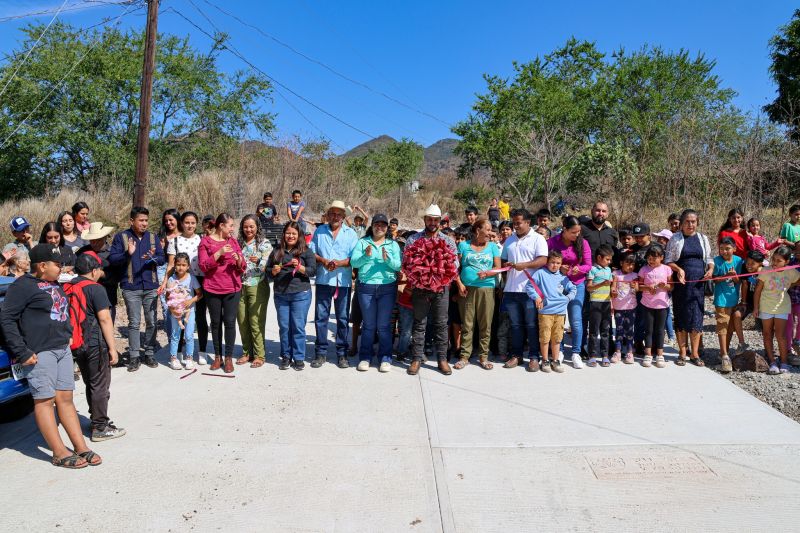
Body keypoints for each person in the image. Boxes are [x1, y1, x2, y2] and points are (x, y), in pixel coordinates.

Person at [0, 244, 101, 468]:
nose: (61, 268)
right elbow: (7, 319)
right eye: (57, 264)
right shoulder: (22, 286)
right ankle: (58, 452)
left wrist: (66, 335)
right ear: (42, 266)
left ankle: (80, 446)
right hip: (39, 352)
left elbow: (59, 311)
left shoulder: (53, 283)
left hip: (61, 349)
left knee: (65, 399)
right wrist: (22, 352)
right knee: (44, 401)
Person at [64, 251, 125, 442]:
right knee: (100, 384)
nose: (101, 272)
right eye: (99, 269)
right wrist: (112, 348)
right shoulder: (95, 288)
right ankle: (100, 427)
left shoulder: (68, 286)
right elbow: (105, 319)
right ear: (93, 270)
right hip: (95, 344)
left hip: (77, 344)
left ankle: (96, 419)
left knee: (90, 382)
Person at [404, 204, 460, 376]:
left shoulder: (448, 241)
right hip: (420, 288)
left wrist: (440, 271)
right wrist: (419, 274)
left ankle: (442, 359)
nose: (432, 222)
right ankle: (416, 358)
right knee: (419, 323)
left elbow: (455, 264)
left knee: (441, 324)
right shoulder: (413, 240)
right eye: (429, 219)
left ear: (439, 221)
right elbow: (406, 262)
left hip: (441, 289)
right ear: (425, 220)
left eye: (436, 220)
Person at [109, 207, 165, 372]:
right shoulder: (122, 237)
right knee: (133, 322)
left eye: (146, 220)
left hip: (150, 286)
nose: (144, 223)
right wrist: (128, 253)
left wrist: (152, 257)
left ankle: (149, 353)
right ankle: (134, 356)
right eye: (141, 220)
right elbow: (113, 259)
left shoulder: (153, 238)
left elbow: (162, 259)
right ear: (131, 221)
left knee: (151, 321)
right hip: (130, 286)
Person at [350, 213, 401, 372]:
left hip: (387, 288)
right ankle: (365, 356)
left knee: (384, 325)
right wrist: (366, 255)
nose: (380, 227)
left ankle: (385, 357)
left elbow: (398, 266)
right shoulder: (363, 242)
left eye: (383, 225)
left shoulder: (393, 245)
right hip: (366, 288)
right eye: (377, 224)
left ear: (387, 228)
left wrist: (388, 260)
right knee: (369, 325)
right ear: (372, 226)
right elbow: (354, 262)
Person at [310, 200, 358, 368]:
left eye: (339, 214)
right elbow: (312, 251)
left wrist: (341, 263)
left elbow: (355, 258)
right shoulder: (319, 231)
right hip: (323, 279)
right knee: (321, 318)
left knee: (343, 318)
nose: (335, 216)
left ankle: (342, 354)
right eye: (333, 213)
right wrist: (323, 260)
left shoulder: (351, 234)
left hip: (342, 282)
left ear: (344, 216)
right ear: (328, 215)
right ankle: (320, 352)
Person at [501, 208, 549, 371]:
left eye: (518, 223)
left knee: (531, 324)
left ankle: (534, 357)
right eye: (514, 223)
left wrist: (525, 265)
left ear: (528, 223)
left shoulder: (538, 239)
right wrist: (507, 266)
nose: (515, 226)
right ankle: (516, 356)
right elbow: (504, 261)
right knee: (515, 325)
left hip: (530, 291)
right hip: (511, 290)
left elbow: (543, 260)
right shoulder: (509, 240)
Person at [665, 209, 714, 367]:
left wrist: (711, 269)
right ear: (682, 223)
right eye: (687, 221)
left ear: (697, 223)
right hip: (682, 285)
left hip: (698, 285)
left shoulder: (703, 238)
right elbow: (668, 260)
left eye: (693, 221)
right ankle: (682, 352)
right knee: (681, 316)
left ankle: (695, 353)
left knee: (697, 317)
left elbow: (709, 258)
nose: (690, 224)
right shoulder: (676, 238)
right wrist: (678, 269)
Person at [199, 213, 246, 374]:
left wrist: (239, 259)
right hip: (212, 288)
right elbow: (203, 266)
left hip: (232, 288)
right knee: (216, 323)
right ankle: (217, 356)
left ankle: (228, 358)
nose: (233, 229)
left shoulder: (233, 241)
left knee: (230, 323)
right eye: (231, 225)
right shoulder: (205, 241)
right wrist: (218, 253)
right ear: (221, 226)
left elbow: (243, 266)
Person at [454, 217, 502, 370]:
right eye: (487, 230)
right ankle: (464, 356)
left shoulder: (493, 247)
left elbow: (497, 268)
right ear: (477, 230)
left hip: (486, 289)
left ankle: (483, 356)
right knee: (467, 324)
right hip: (466, 289)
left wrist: (488, 274)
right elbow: (455, 268)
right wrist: (459, 284)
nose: (490, 232)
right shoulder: (463, 245)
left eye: (490, 230)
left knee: (485, 324)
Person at [268, 221, 316, 370]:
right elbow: (268, 270)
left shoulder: (306, 251)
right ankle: (286, 356)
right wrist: (273, 271)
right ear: (284, 234)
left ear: (299, 235)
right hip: (281, 294)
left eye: (294, 233)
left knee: (298, 327)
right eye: (288, 233)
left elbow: (313, 271)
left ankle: (299, 357)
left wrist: (300, 267)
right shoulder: (277, 250)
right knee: (284, 327)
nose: (290, 236)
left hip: (300, 294)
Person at [161, 211, 207, 364]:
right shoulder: (175, 241)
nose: (190, 225)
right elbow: (170, 264)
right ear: (181, 223)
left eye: (193, 222)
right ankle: (179, 351)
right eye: (187, 222)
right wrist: (164, 283)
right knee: (178, 315)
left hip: (198, 280)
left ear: (197, 224)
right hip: (178, 283)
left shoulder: (202, 239)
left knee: (199, 317)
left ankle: (202, 351)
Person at [546, 216, 592, 369]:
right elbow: (546, 262)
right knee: (557, 318)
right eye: (573, 232)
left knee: (576, 319)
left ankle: (576, 352)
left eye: (578, 231)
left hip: (577, 284)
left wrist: (579, 269)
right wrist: (559, 268)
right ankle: (558, 351)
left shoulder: (583, 243)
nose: (577, 235)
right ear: (564, 229)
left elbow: (588, 265)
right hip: (556, 284)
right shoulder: (552, 242)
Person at [526, 250, 576, 373]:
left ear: (561, 264)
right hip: (545, 312)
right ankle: (545, 360)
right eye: (552, 262)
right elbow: (529, 286)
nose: (555, 265)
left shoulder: (563, 277)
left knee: (557, 338)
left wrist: (568, 298)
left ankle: (555, 360)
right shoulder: (540, 273)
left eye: (558, 263)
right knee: (544, 338)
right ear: (547, 262)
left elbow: (573, 288)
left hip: (560, 312)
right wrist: (536, 297)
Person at [754, 246, 800, 374]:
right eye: (773, 259)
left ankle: (784, 362)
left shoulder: (791, 272)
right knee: (767, 334)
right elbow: (757, 290)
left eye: (779, 261)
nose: (774, 263)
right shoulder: (765, 270)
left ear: (786, 262)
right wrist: (756, 307)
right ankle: (773, 362)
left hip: (782, 307)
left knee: (781, 336)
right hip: (766, 306)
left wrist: (791, 284)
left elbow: (798, 280)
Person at [236, 214, 272, 368]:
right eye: (245, 226)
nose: (248, 229)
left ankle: (259, 355)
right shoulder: (238, 243)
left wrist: (259, 261)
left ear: (257, 227)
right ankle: (246, 352)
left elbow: (266, 264)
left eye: (251, 226)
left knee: (255, 321)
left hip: (257, 284)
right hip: (239, 285)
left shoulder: (264, 243)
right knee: (243, 321)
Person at [712, 237, 744, 373]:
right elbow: (715, 280)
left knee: (730, 327)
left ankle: (722, 352)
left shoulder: (738, 261)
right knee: (722, 327)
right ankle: (725, 355)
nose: (724, 251)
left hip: (734, 299)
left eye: (727, 248)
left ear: (734, 249)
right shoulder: (716, 261)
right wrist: (726, 275)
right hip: (721, 300)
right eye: (722, 249)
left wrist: (735, 276)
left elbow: (739, 281)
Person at [165, 253, 202, 370]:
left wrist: (190, 301)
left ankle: (189, 358)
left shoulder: (192, 278)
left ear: (188, 266)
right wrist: (172, 310)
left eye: (184, 265)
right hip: (175, 313)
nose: (181, 267)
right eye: (178, 264)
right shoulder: (171, 279)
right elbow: (167, 297)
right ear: (175, 265)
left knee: (189, 335)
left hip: (189, 312)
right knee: (175, 335)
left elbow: (200, 294)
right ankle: (173, 359)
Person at [638, 245, 673, 368]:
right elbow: (638, 287)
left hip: (662, 304)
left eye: (654, 258)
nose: (651, 260)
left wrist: (664, 286)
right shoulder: (643, 269)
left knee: (660, 330)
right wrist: (648, 287)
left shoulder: (667, 269)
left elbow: (671, 286)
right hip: (647, 304)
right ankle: (648, 354)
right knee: (649, 329)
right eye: (649, 258)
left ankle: (660, 354)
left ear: (662, 257)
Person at [78, 222, 120, 323]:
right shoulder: (82, 252)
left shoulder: (113, 253)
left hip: (107, 297)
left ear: (105, 238)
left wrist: (102, 274)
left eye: (98, 240)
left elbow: (118, 277)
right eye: (92, 241)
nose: (95, 243)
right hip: (86, 298)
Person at [586, 245, 614, 367]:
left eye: (610, 259)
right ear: (599, 257)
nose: (609, 262)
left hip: (607, 303)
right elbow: (589, 287)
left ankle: (605, 355)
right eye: (607, 259)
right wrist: (602, 283)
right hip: (595, 303)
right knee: (593, 331)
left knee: (605, 331)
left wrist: (613, 291)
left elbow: (612, 285)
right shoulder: (592, 270)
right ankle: (592, 355)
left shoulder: (609, 271)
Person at [157, 209, 181, 343]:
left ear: (177, 220)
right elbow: (157, 258)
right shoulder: (160, 236)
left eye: (171, 220)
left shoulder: (185, 236)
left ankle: (182, 335)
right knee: (167, 304)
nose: (168, 223)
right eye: (166, 220)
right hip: (163, 269)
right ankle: (172, 338)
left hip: (182, 270)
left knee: (182, 303)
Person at [611, 252, 639, 364]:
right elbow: (612, 288)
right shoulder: (616, 274)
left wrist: (634, 286)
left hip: (631, 307)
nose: (631, 266)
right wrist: (613, 292)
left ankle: (629, 352)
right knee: (619, 329)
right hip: (618, 306)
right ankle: (617, 351)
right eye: (628, 264)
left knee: (629, 330)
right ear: (621, 263)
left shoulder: (634, 275)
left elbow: (637, 289)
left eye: (633, 264)